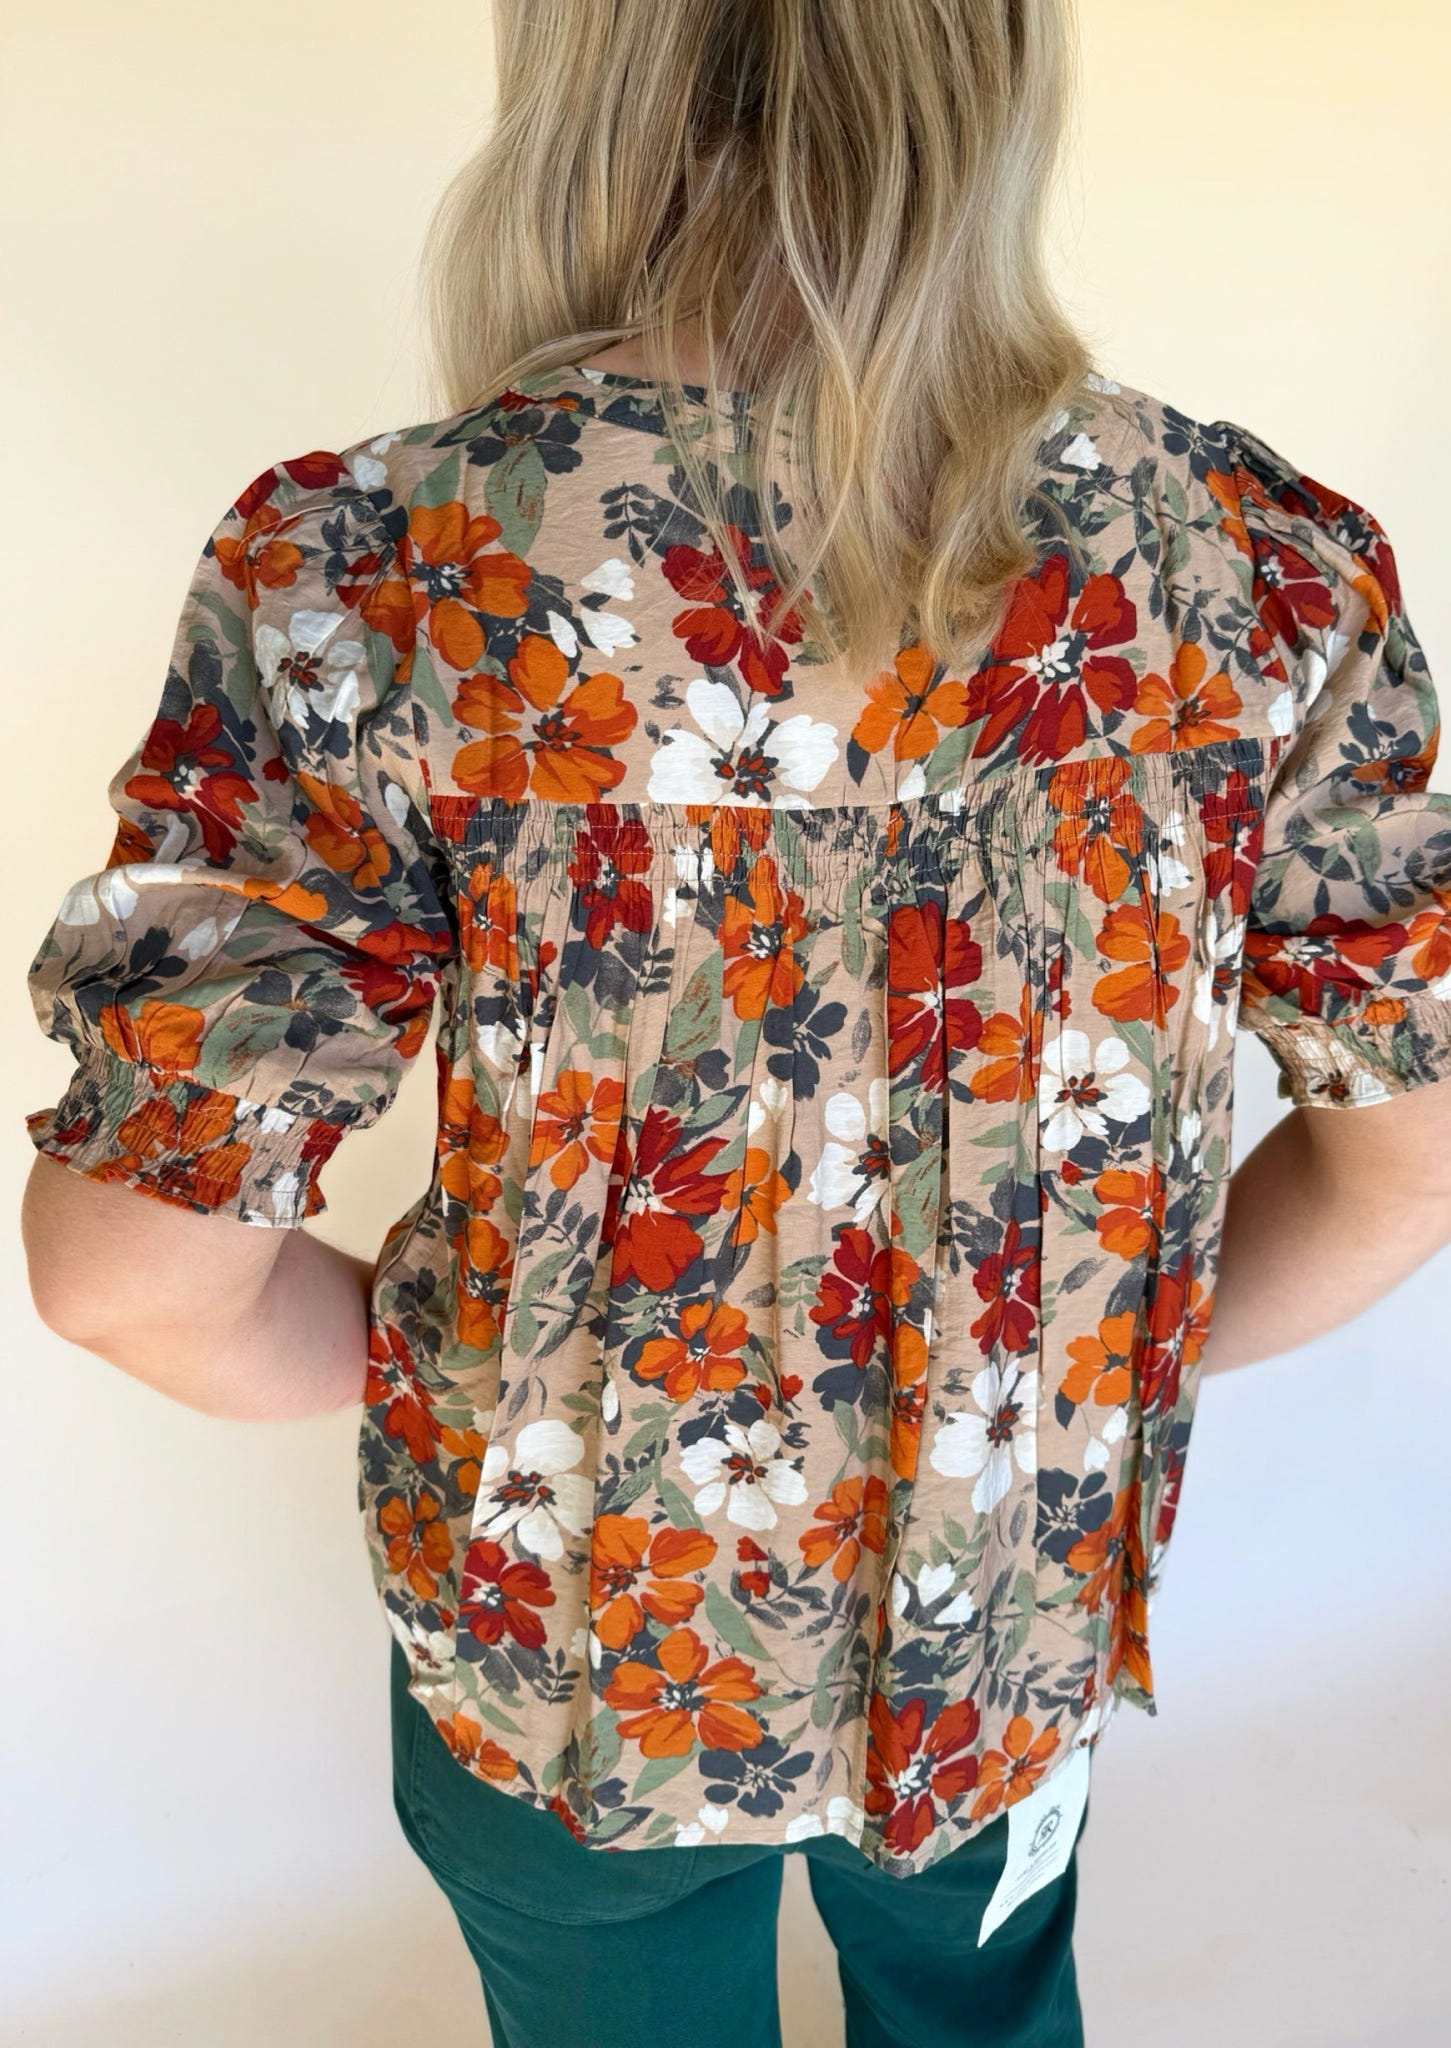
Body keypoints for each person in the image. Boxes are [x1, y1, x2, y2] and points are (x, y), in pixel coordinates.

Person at [20, 3, 1451, 2044]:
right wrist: (1052, 1383)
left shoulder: (381, 571)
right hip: (1005, 1632)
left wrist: (456, 1377)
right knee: (981, 2013)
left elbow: (129, 1275)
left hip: (560, 1655)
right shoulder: (1257, 572)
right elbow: (1419, 1153)